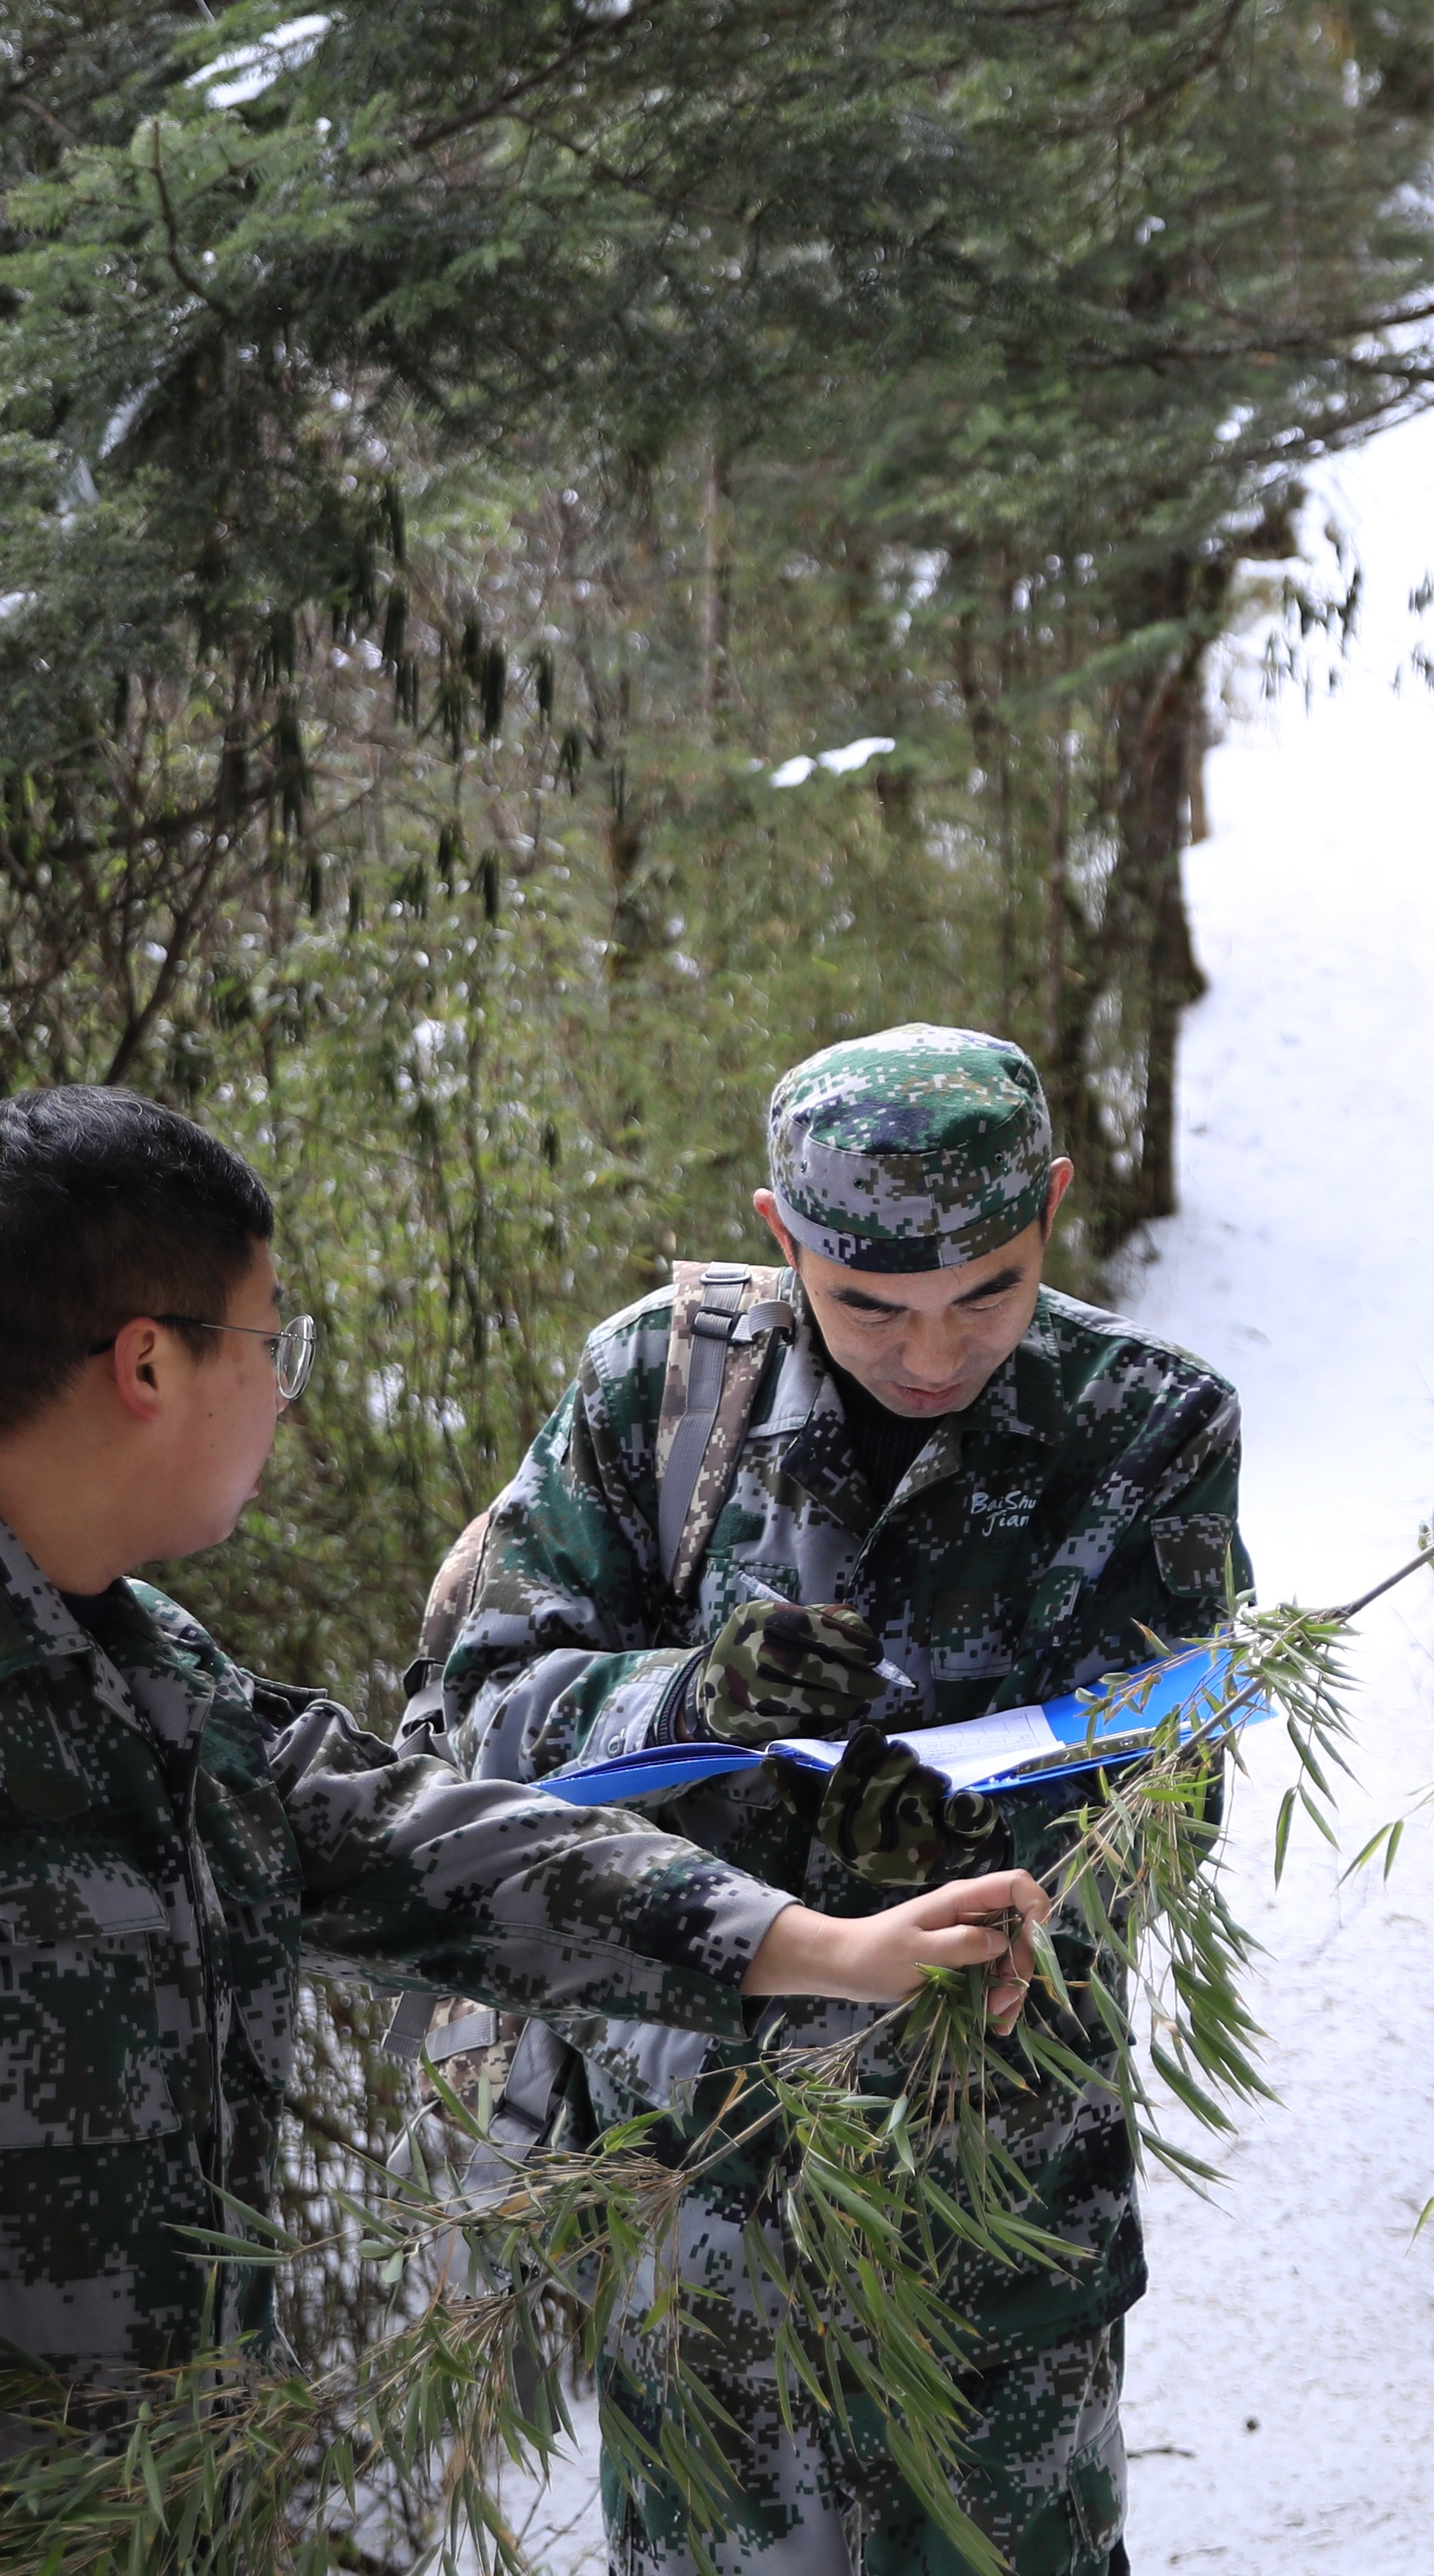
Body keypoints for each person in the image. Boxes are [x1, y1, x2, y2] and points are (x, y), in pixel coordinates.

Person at [0, 1085, 1055, 2576]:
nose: (285, 1390)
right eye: (276, 1341)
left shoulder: (141, 1668)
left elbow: (430, 1843)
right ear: (151, 1360)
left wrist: (812, 1948)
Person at [419, 1022, 1243, 2576]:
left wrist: (968, 1846)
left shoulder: (1147, 1428)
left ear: (1054, 1206)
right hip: (695, 2158)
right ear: (779, 1233)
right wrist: (693, 1695)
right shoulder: (657, 1390)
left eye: (985, 1292)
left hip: (993, 2180)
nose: (932, 1353)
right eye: (870, 1303)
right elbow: (478, 1716)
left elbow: (1166, 1787)